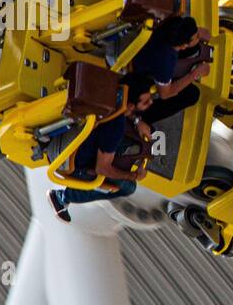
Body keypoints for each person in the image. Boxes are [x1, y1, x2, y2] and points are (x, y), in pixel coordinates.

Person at [47, 74, 154, 222]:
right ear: (130, 106)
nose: (150, 103)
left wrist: (137, 121)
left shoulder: (109, 91)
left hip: (69, 139)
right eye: (146, 102)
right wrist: (134, 176)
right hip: (78, 162)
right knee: (129, 187)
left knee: (128, 142)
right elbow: (102, 169)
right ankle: (64, 197)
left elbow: (122, 109)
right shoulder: (116, 127)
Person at [131, 15, 209, 123]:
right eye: (197, 36)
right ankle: (144, 118)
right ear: (183, 46)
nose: (199, 36)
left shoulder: (171, 22)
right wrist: (194, 74)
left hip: (144, 47)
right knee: (192, 94)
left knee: (195, 47)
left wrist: (196, 32)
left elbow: (200, 34)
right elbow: (165, 94)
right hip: (140, 72)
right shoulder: (165, 62)